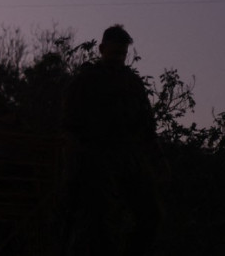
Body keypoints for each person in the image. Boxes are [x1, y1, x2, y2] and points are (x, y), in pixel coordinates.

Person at [61, 24, 167, 256]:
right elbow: (70, 125)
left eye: (122, 54)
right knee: (99, 227)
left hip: (129, 159)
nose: (118, 58)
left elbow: (146, 126)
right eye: (114, 52)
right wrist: (74, 164)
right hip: (95, 161)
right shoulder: (86, 81)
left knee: (151, 216)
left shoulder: (132, 83)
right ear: (102, 49)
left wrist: (157, 159)